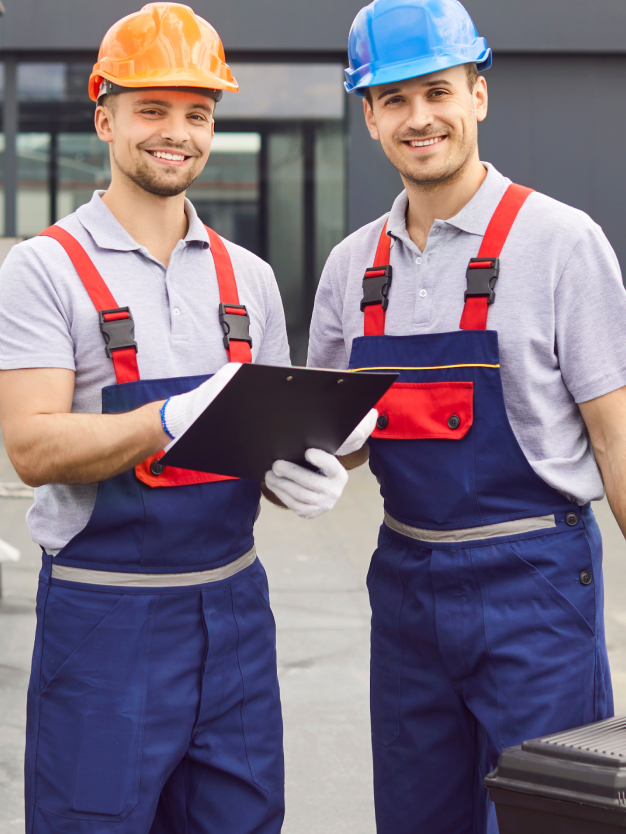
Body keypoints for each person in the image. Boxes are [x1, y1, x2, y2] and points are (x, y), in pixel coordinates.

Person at [0, 4, 370, 832]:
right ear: (105, 118)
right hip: (104, 624)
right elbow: (31, 444)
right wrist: (166, 419)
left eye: (197, 114)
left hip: (234, 616)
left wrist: (313, 465)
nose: (177, 133)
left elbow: (261, 446)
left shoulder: (250, 280)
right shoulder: (44, 269)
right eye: (153, 109)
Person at [307, 0, 626, 831]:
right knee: (417, 817)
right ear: (370, 115)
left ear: (477, 95)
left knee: (553, 815)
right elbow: (336, 435)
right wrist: (309, 456)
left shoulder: (561, 242)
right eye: (394, 99)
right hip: (405, 589)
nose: (420, 118)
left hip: (536, 587)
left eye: (438, 92)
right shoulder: (351, 268)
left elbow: (616, 435)